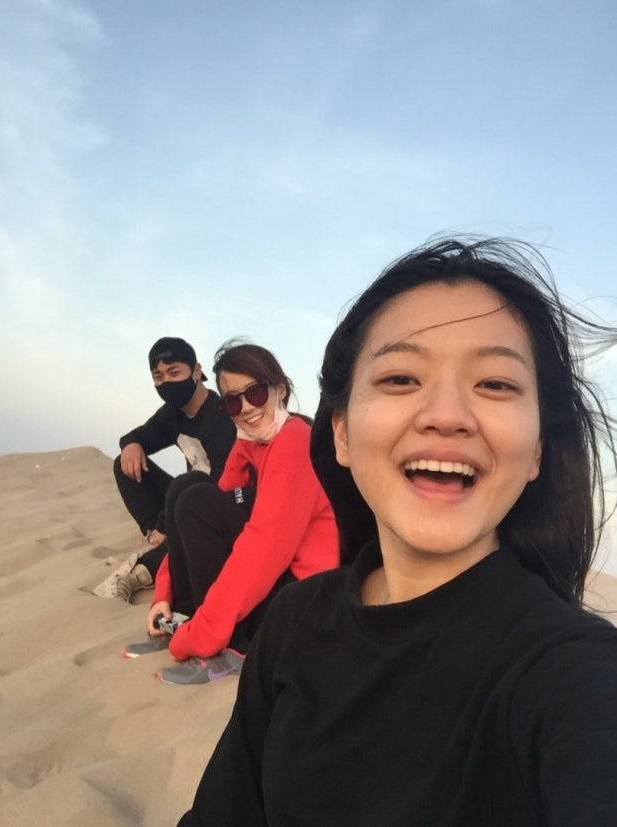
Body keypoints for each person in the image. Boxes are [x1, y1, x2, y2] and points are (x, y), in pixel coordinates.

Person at [179, 238, 617, 825]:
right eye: (401, 378)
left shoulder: (573, 674)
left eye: (495, 383)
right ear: (341, 433)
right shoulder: (296, 620)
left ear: (538, 447)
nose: (447, 415)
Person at [123, 341, 340, 684]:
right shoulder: (249, 442)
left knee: (198, 500)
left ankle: (233, 645)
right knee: (188, 487)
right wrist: (164, 593)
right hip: (273, 583)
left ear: (280, 390)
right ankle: (182, 616)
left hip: (304, 597)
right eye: (233, 401)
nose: (246, 408)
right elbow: (202, 507)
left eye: (256, 394)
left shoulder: (294, 441)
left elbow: (264, 546)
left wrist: (201, 637)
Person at [112, 336, 236, 599]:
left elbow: (223, 483)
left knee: (189, 500)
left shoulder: (219, 418)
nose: (166, 382)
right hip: (183, 496)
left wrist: (166, 522)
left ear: (196, 371)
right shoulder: (172, 413)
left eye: (174, 372)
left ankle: (145, 568)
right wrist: (130, 444)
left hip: (216, 503)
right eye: (158, 376)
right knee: (124, 463)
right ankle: (155, 536)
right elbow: (139, 436)